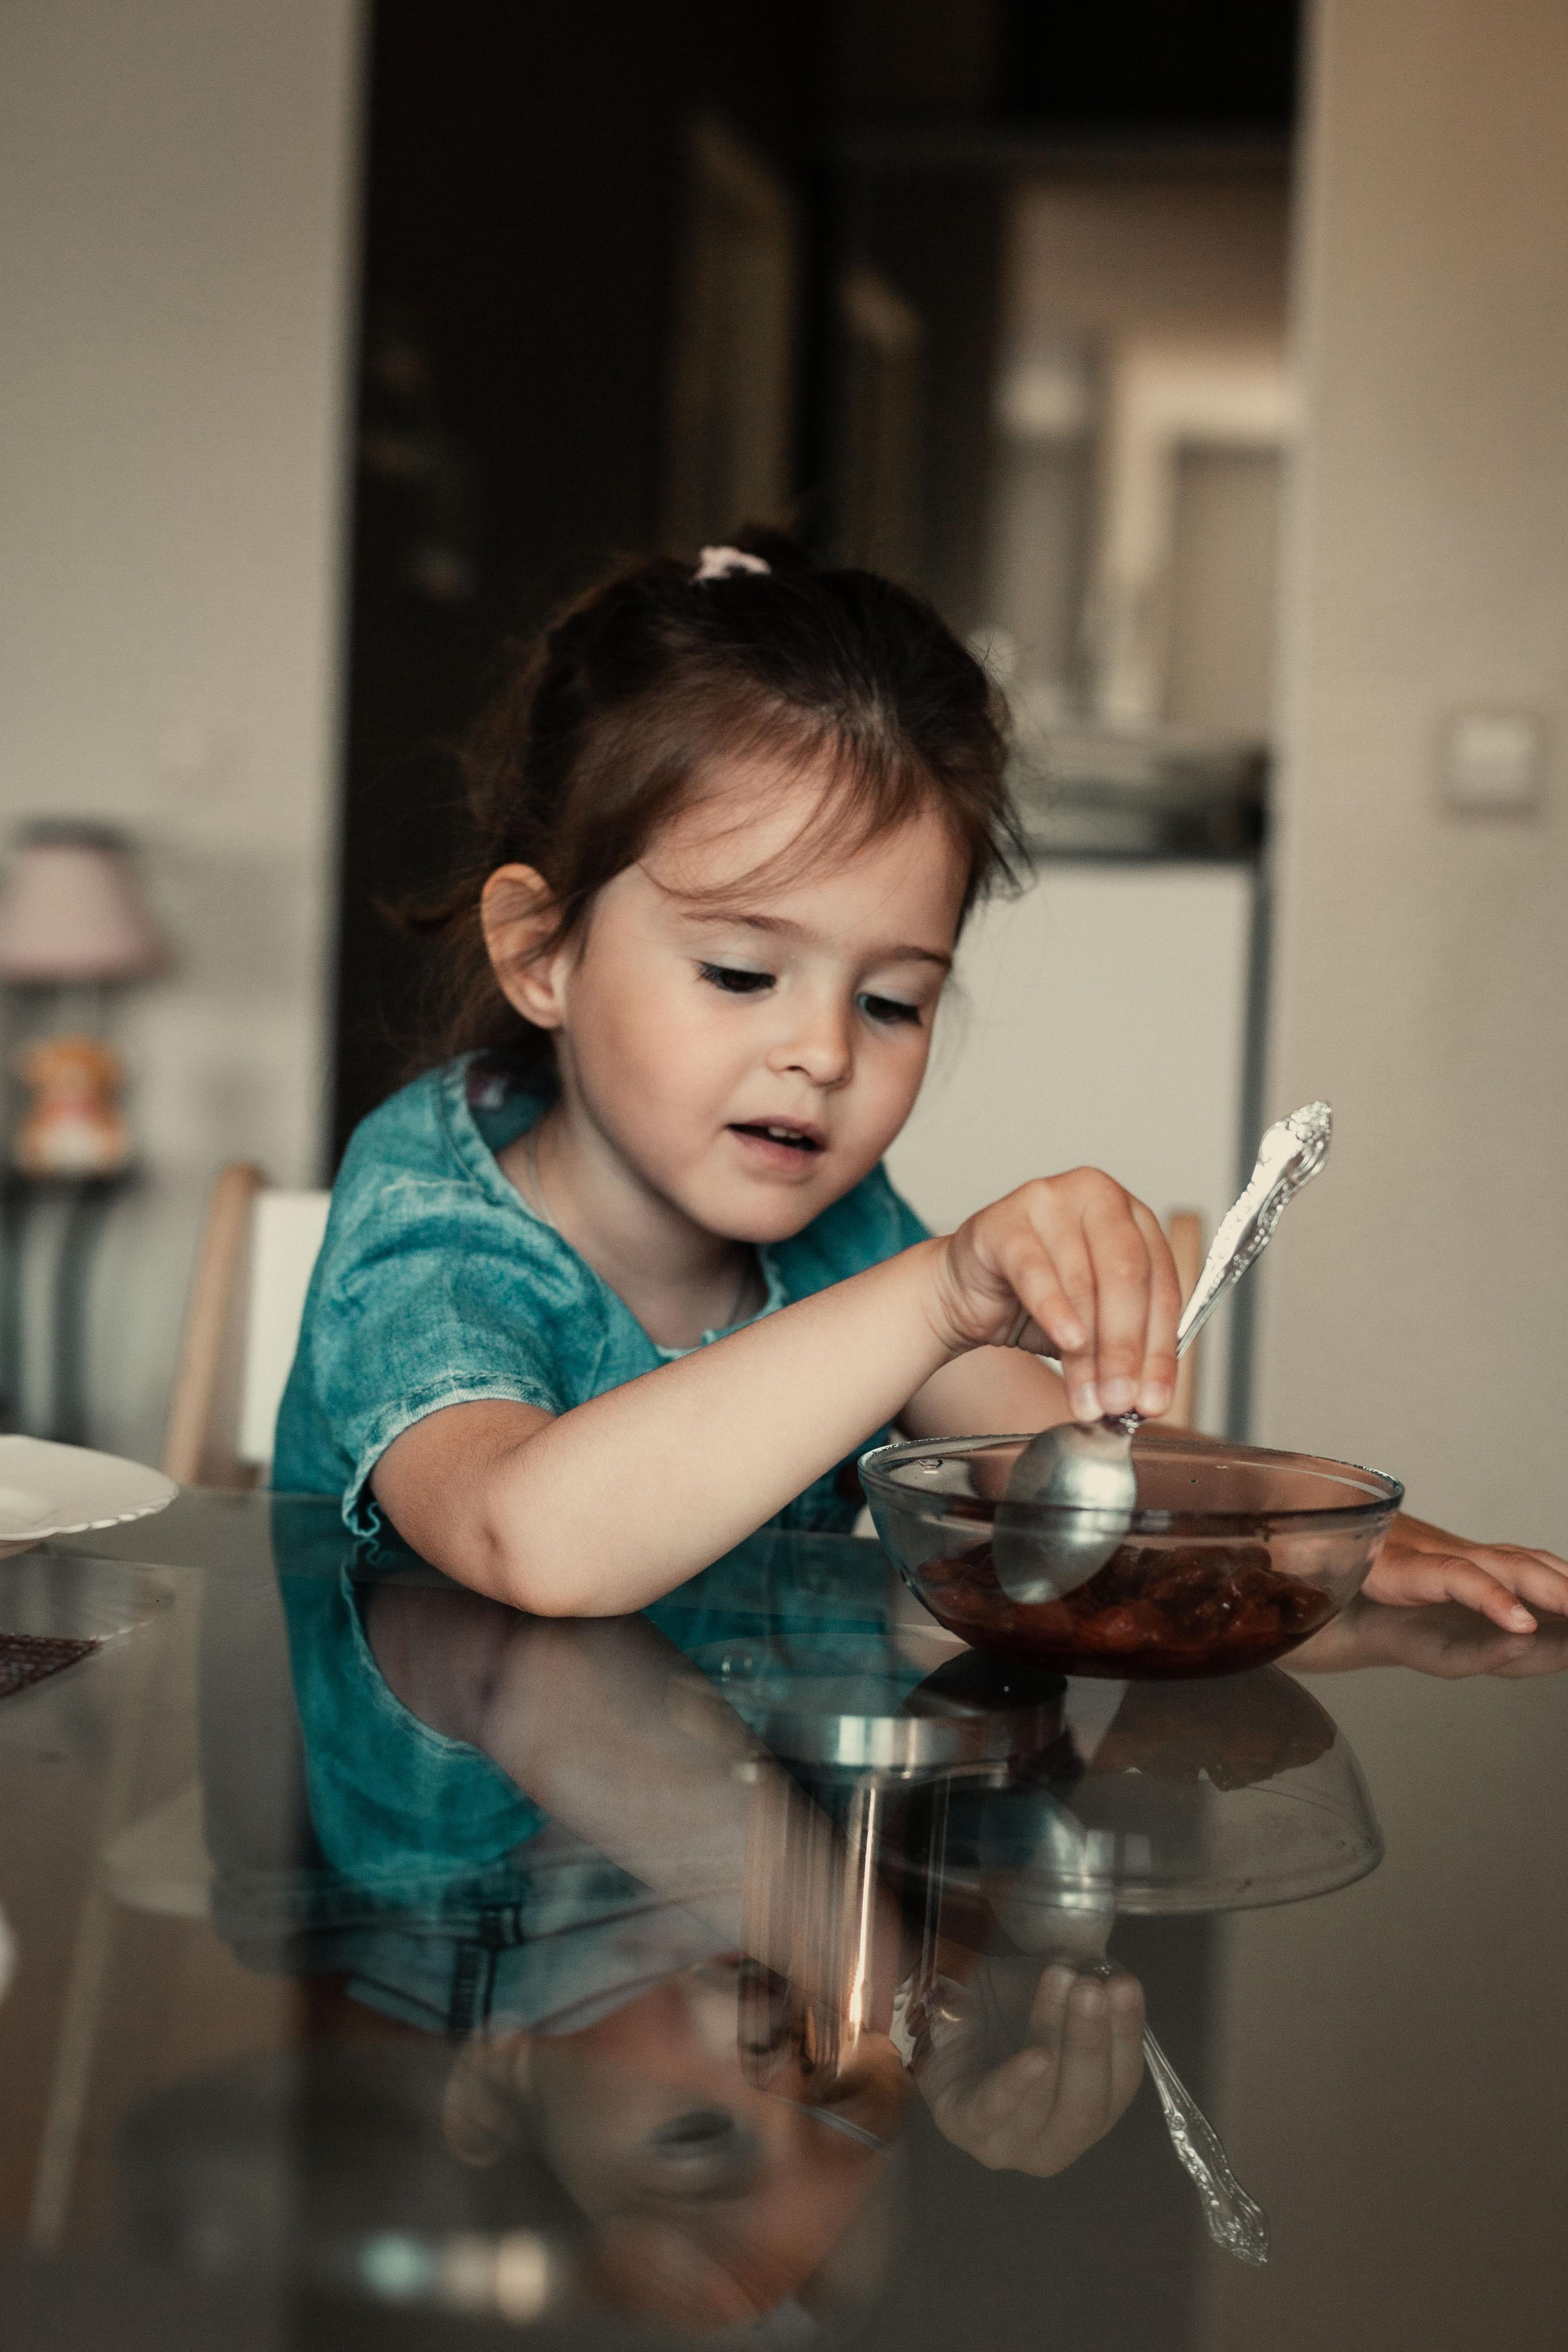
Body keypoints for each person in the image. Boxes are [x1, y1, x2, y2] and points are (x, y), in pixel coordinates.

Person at [275, 530, 1568, 1634]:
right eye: (738, 974)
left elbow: (1034, 1459)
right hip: (435, 1892)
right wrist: (944, 1287)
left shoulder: (826, 1218)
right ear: (538, 952)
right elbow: (529, 1541)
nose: (826, 1054)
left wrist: (1304, 1533)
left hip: (712, 1858)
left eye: (891, 1000)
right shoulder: (431, 1227)